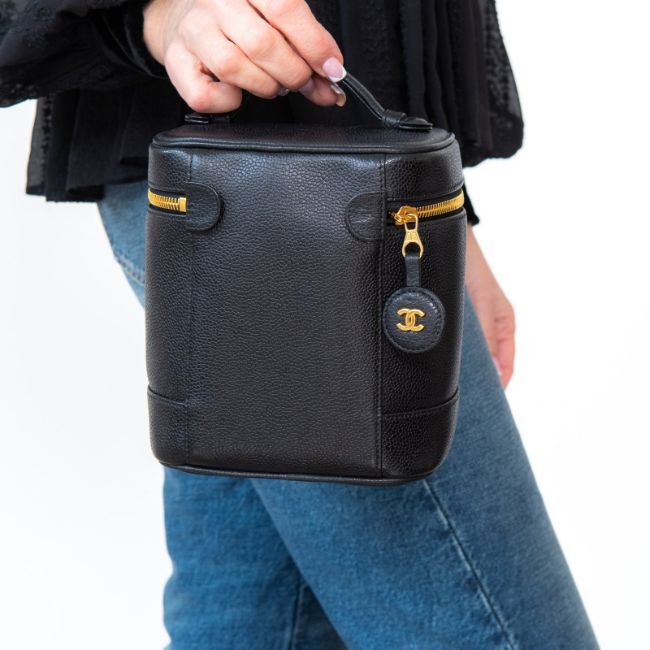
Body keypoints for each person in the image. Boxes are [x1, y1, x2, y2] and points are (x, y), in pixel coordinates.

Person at [1, 1, 600, 647]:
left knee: (254, 624)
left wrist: (439, 217)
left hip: (322, 203)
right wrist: (160, 11)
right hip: (240, 203)